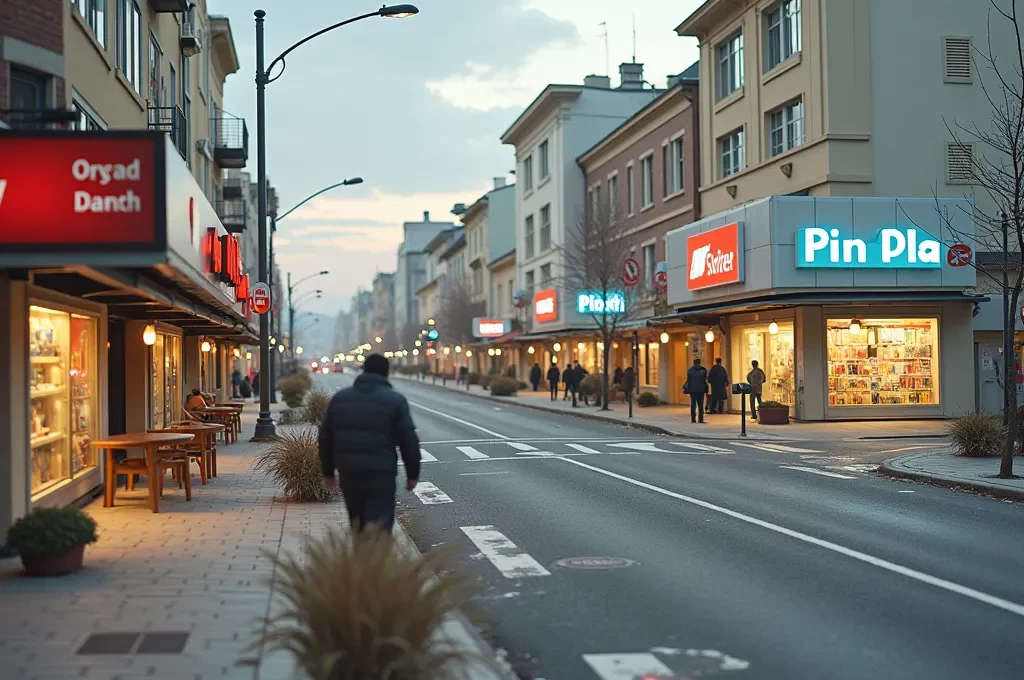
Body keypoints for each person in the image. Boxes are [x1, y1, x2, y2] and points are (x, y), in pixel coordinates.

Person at [319, 354, 420, 533]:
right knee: (380, 524)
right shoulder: (395, 400)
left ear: (364, 370)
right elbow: (408, 440)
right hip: (381, 473)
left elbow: (326, 437)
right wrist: (412, 474)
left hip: (349, 472)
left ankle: (361, 549)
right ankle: (376, 550)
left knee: (357, 523)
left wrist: (328, 473)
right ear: (386, 373)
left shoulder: (340, 399)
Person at [684, 358, 709, 424]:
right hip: (701, 390)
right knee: (701, 405)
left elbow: (688, 380)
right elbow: (706, 379)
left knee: (693, 404)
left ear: (694, 363)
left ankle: (693, 419)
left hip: (693, 390)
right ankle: (700, 419)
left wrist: (688, 389)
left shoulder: (690, 370)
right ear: (699, 363)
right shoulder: (703, 370)